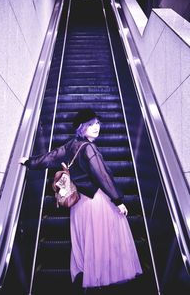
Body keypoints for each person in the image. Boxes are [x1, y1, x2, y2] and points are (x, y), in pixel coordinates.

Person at [20, 108, 142, 291]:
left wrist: (29, 161)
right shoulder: (89, 148)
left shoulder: (71, 145)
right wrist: (118, 200)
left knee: (87, 240)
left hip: (79, 204)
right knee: (103, 241)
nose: (96, 127)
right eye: (91, 125)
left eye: (97, 124)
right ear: (81, 128)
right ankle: (101, 276)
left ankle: (89, 274)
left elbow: (50, 157)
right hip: (96, 201)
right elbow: (102, 176)